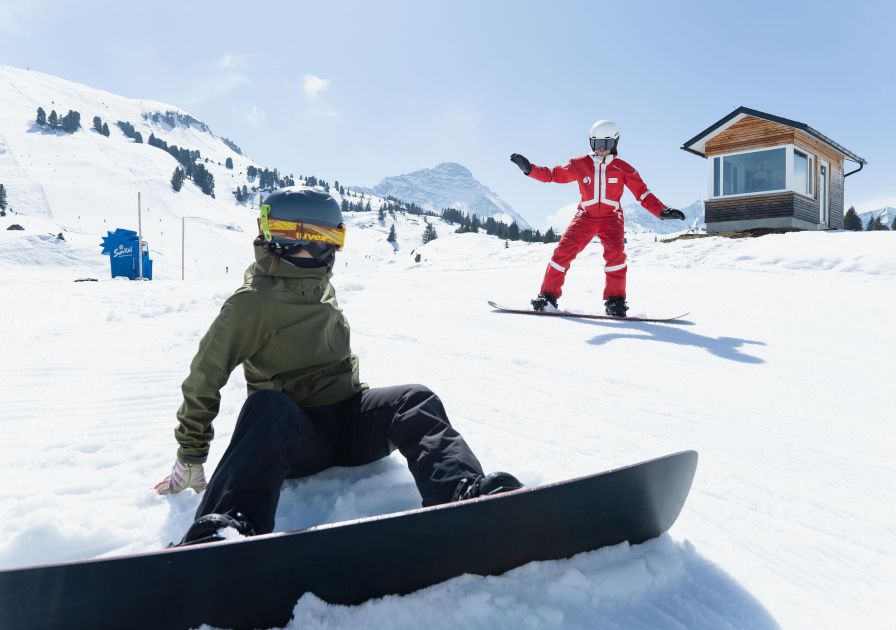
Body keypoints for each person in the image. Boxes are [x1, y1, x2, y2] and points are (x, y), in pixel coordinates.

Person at [155, 186, 522, 546]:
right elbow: (205, 377)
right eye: (299, 237)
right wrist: (190, 454)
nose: (314, 250)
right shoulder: (251, 304)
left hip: (349, 427)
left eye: (326, 238)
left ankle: (462, 493)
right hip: (298, 440)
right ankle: (229, 529)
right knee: (265, 406)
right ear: (273, 238)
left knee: (416, 398)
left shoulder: (320, 285)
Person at [511, 120, 686, 317]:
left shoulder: (623, 168)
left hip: (612, 219)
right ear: (591, 143)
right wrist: (530, 169)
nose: (602, 149)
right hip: (585, 216)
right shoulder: (579, 164)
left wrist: (661, 211)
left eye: (607, 144)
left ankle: (615, 301)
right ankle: (547, 296)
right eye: (597, 144)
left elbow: (642, 193)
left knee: (616, 258)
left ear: (616, 143)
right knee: (562, 253)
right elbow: (553, 175)